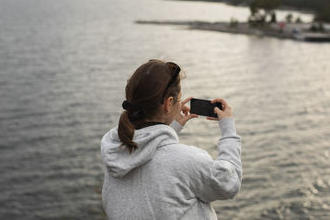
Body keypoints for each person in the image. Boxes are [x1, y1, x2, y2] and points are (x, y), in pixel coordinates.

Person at [100, 59, 242, 220]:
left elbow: (150, 159)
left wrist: (170, 127)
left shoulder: (115, 151)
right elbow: (230, 183)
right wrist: (228, 129)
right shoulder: (187, 161)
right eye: (179, 98)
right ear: (168, 103)